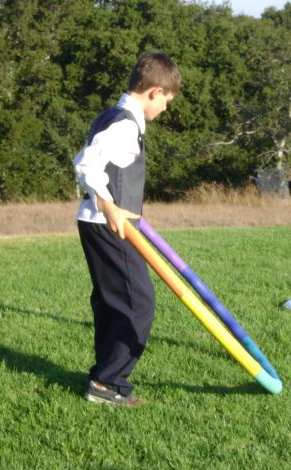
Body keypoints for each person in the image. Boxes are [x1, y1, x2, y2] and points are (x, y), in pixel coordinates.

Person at [73, 52, 181, 407]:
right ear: (154, 92)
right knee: (137, 302)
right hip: (108, 224)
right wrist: (109, 206)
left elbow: (87, 162)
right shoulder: (124, 124)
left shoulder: (112, 116)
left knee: (112, 301)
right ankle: (107, 383)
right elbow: (86, 165)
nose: (165, 108)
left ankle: (103, 375)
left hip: (101, 222)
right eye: (166, 101)